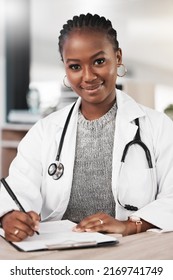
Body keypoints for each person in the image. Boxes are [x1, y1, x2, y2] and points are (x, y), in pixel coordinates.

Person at [1, 13, 173, 242]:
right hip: (58, 255)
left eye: (99, 61)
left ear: (118, 57)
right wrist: (9, 217)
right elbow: (17, 191)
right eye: (75, 66)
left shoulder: (158, 126)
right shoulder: (45, 131)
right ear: (65, 67)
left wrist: (129, 225)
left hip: (131, 252)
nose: (88, 76)